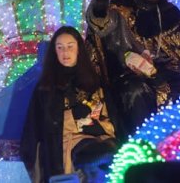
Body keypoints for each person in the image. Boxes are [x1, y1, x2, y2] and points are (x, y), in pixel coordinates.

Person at [85, 0, 180, 140]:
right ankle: (141, 148)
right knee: (135, 90)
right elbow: (100, 23)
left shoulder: (172, 17)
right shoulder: (119, 12)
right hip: (132, 84)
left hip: (170, 85)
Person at [20, 26, 118, 182]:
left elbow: (110, 114)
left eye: (70, 46)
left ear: (79, 48)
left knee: (112, 154)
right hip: (69, 142)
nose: (65, 52)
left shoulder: (95, 81)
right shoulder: (46, 87)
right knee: (94, 157)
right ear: (55, 52)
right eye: (60, 48)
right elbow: (35, 125)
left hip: (102, 135)